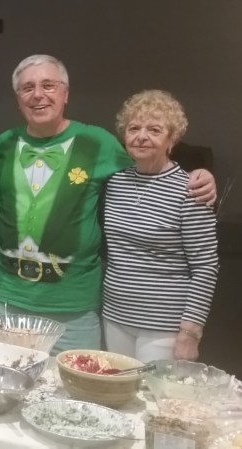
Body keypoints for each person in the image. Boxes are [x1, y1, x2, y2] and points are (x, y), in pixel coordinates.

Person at [0, 54, 216, 352]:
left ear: (65, 93)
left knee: (74, 381)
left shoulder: (98, 143)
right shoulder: (1, 146)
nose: (38, 94)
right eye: (28, 88)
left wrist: (200, 175)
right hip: (8, 302)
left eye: (48, 85)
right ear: (18, 99)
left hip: (74, 311)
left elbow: (150, 164)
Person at [102, 90, 218, 362]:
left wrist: (190, 333)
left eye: (154, 130)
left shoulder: (191, 189)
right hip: (115, 315)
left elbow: (205, 266)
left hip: (164, 325)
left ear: (172, 139)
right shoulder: (116, 183)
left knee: (156, 389)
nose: (142, 136)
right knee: (119, 385)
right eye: (134, 128)